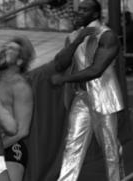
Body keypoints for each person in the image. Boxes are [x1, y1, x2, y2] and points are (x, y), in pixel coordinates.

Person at [51, 0, 124, 180]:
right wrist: (76, 40)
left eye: (84, 10)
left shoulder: (107, 36)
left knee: (110, 148)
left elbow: (96, 70)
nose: (78, 13)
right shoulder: (74, 35)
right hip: (82, 97)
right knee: (72, 144)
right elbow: (60, 63)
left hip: (104, 97)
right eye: (78, 9)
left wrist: (64, 79)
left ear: (95, 14)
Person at [0, 35, 35, 181]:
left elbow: (22, 130)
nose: (3, 50)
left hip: (9, 149)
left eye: (10, 49)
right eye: (4, 47)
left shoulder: (20, 87)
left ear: (19, 61)